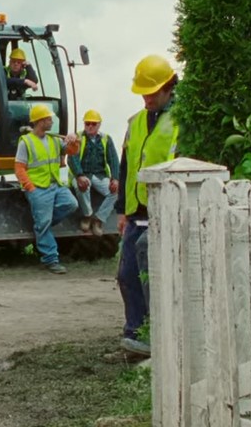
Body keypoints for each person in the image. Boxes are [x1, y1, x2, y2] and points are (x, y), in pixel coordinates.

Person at [113, 54, 179, 357]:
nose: (146, 98)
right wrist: (123, 210)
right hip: (137, 211)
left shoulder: (182, 121)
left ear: (169, 88)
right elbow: (126, 167)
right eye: (143, 92)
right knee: (127, 274)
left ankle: (158, 335)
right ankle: (136, 334)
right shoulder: (136, 122)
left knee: (153, 274)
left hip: (165, 211)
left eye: (152, 92)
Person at [14, 104, 80, 274]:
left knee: (71, 204)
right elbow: (19, 168)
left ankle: (41, 227)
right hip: (38, 189)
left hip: (56, 185)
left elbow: (72, 151)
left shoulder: (54, 139)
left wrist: (75, 140)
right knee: (43, 222)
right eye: (49, 119)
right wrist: (30, 188)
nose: (52, 121)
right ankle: (51, 260)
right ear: (40, 121)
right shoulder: (26, 142)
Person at [69, 109, 120, 234]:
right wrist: (79, 175)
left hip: (99, 175)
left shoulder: (106, 139)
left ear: (99, 125)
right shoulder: (78, 137)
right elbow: (72, 158)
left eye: (93, 124)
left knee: (116, 192)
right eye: (87, 123)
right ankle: (87, 215)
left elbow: (113, 159)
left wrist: (115, 178)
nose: (90, 126)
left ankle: (99, 219)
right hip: (82, 174)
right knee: (82, 187)